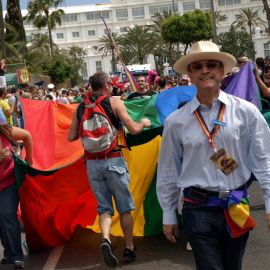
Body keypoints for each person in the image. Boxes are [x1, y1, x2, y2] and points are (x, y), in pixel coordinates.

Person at [156, 40, 270, 270]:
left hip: (236, 204)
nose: (205, 70)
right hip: (197, 209)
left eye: (211, 65)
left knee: (233, 266)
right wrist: (168, 213)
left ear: (222, 71)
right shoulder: (175, 122)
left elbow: (264, 159)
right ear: (190, 73)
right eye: (197, 66)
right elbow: (168, 169)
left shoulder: (246, 112)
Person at [68, 71, 151, 268]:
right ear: (106, 85)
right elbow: (133, 129)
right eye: (111, 84)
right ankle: (129, 247)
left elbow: (71, 137)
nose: (112, 86)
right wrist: (144, 123)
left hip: (93, 164)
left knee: (104, 208)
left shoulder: (81, 107)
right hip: (114, 160)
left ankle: (105, 238)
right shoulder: (114, 102)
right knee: (124, 208)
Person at [0, 120, 33, 269]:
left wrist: (29, 161)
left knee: (7, 214)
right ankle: (8, 254)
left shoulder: (5, 130)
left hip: (9, 182)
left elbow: (27, 135)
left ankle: (17, 256)